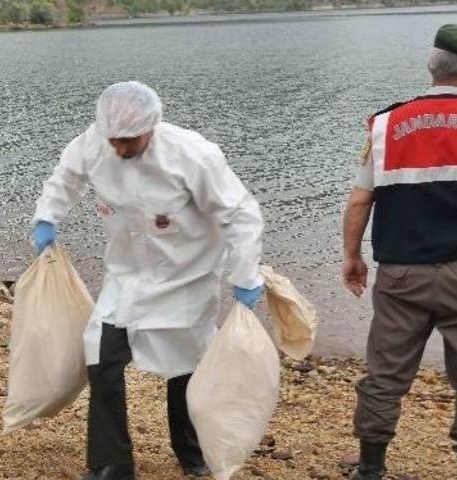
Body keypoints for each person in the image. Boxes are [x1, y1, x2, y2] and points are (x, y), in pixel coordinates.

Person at [31, 81, 265, 480]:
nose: (119, 149)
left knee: (186, 368)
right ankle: (111, 465)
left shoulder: (192, 155)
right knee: (102, 359)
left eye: (128, 140)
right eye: (113, 140)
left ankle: (191, 452)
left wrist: (245, 275)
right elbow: (65, 179)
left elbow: (240, 214)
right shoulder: (92, 144)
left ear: (152, 125)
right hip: (126, 276)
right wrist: (46, 218)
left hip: (186, 277)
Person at [342, 23, 457, 480]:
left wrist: (352, 257)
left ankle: (370, 469)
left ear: (433, 70)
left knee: (385, 376)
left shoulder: (386, 125)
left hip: (402, 276)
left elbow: (359, 200)